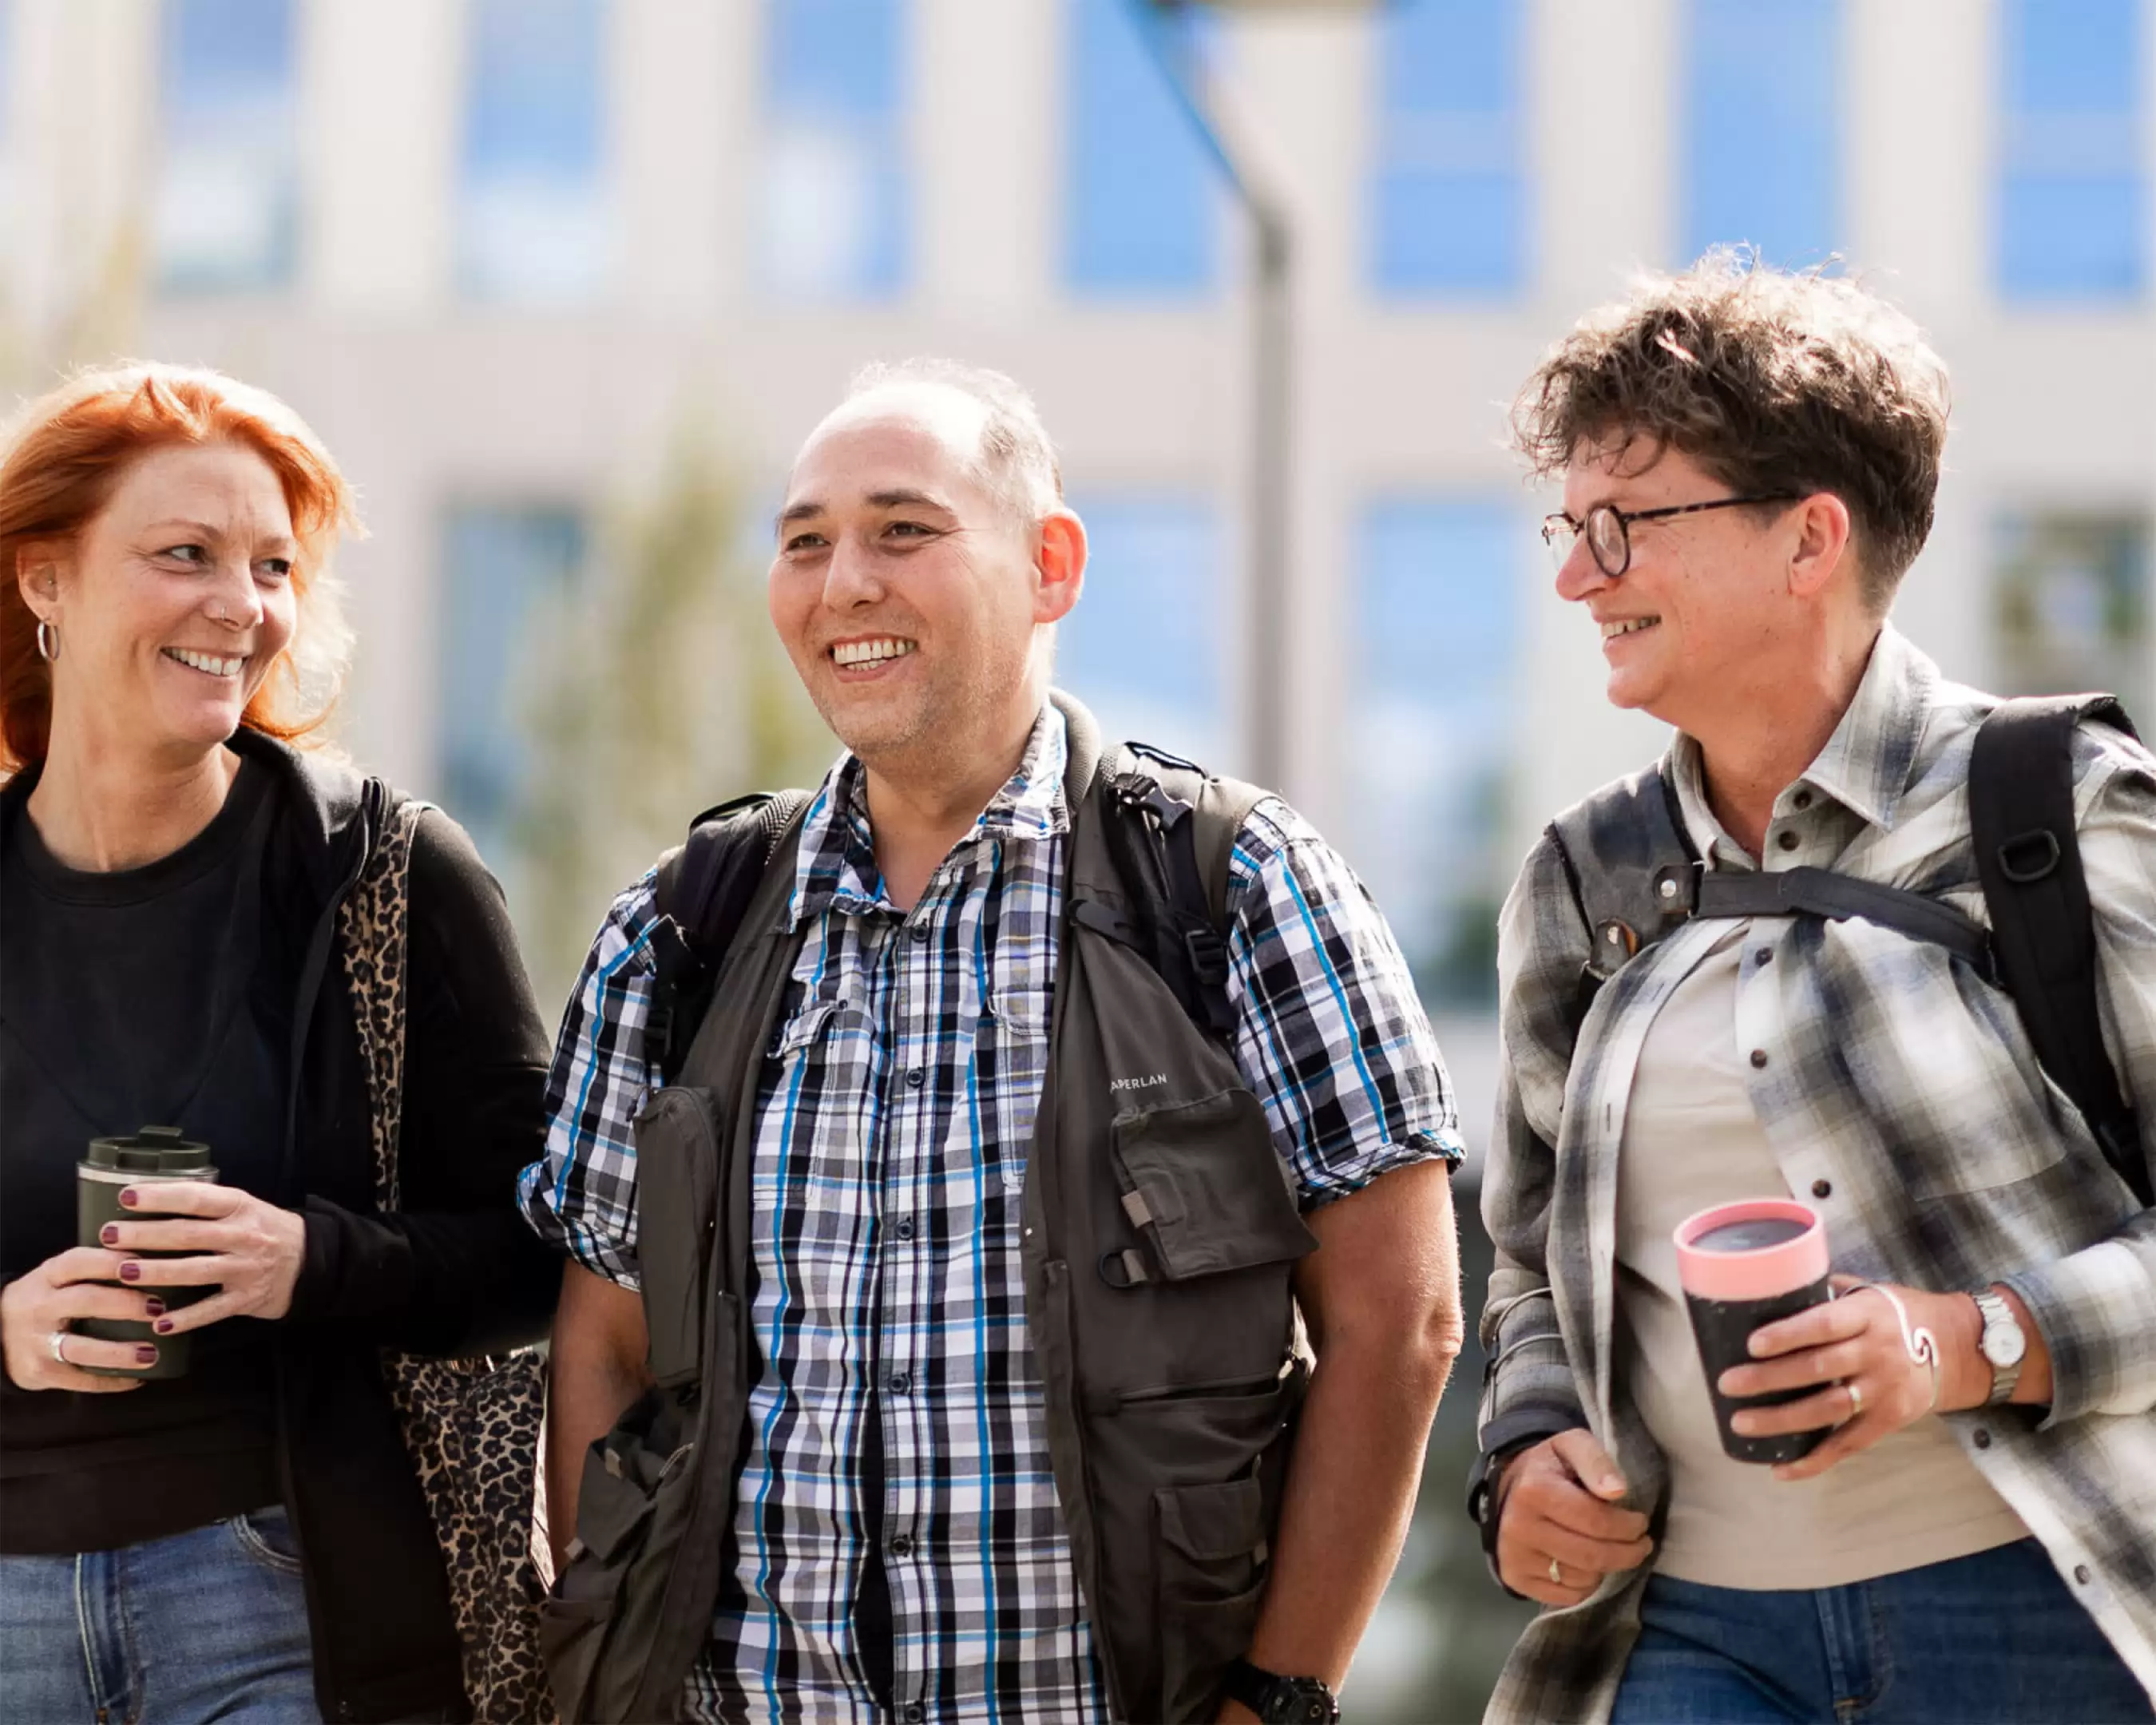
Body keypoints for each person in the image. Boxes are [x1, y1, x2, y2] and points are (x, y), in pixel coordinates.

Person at [522, 358, 1465, 1724]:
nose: (845, 581)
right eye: (805, 542)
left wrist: (1277, 1702)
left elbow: (1402, 1322)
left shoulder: (1232, 887)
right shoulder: (685, 925)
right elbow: (603, 1347)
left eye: (904, 530)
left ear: (1051, 564)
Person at [1472, 252, 2156, 1724]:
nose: (1576, 575)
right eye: (1570, 527)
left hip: (2048, 1622)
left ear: (1809, 540)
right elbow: (1529, 1268)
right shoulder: (1586, 877)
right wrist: (1527, 1453)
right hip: (1689, 1640)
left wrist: (1969, 1343)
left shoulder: (2060, 816)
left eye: (1626, 525)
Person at [0, 363, 561, 1723]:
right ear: (44, 581)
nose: (241, 607)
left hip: (281, 1592)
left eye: (271, 565)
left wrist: (311, 1259)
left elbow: (546, 1243)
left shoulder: (387, 876)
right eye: (183, 554)